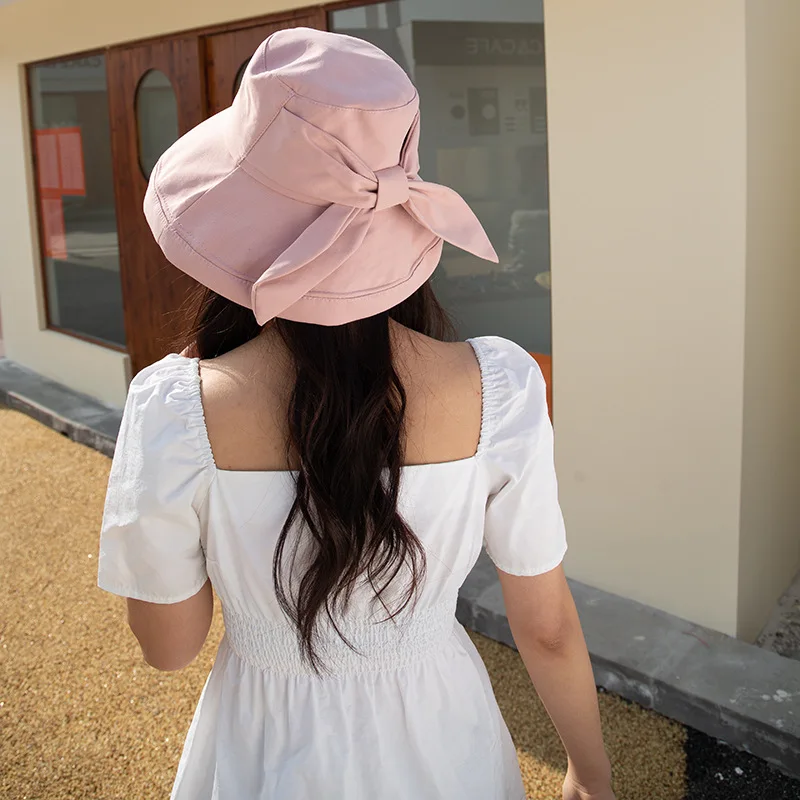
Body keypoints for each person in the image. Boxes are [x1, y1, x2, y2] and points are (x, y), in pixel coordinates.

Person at [97, 28, 615, 800]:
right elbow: (546, 627)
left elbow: (169, 647)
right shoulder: (500, 387)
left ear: (235, 222)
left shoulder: (177, 410)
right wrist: (590, 775)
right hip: (447, 740)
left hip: (264, 748)